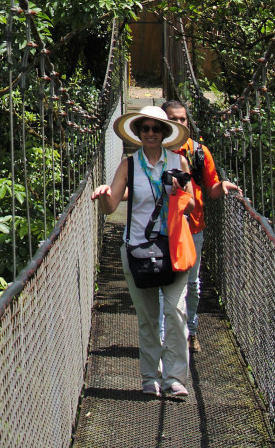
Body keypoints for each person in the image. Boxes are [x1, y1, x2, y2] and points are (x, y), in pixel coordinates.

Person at [91, 105, 195, 399]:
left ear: (164, 133)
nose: (150, 133)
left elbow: (192, 206)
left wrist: (178, 194)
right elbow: (111, 207)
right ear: (137, 133)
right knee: (148, 318)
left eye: (156, 128)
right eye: (145, 128)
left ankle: (174, 378)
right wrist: (102, 196)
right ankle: (150, 377)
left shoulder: (179, 162)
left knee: (175, 312)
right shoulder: (129, 166)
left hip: (174, 249)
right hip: (138, 250)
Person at [162, 99, 238, 354]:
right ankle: (167, 337)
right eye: (173, 118)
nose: (179, 123)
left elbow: (212, 189)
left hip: (193, 228)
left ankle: (191, 331)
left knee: (192, 284)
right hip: (163, 230)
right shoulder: (153, 149)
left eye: (183, 119)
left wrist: (223, 185)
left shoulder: (198, 152)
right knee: (165, 286)